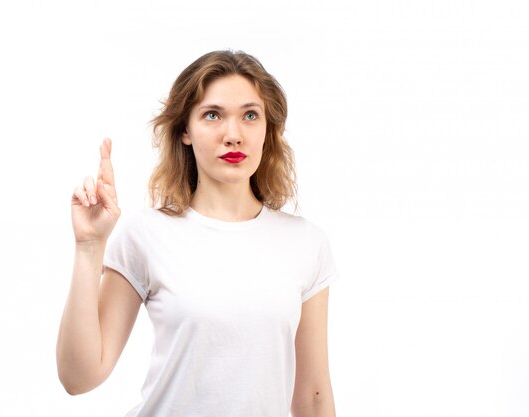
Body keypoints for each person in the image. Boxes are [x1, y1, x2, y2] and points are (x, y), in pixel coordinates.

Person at [56, 50, 340, 417]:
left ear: (268, 130)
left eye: (250, 115)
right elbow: (79, 377)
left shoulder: (306, 243)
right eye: (213, 115)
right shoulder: (146, 234)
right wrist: (89, 247)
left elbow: (314, 396)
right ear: (185, 131)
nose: (233, 135)